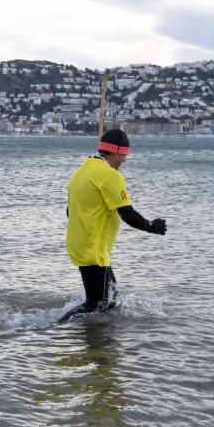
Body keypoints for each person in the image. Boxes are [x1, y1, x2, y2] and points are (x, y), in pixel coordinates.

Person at [60, 128, 167, 323]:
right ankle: (54, 327)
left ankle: (98, 336)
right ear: (115, 152)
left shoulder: (81, 172)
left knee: (111, 299)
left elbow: (70, 211)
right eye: (124, 154)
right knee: (97, 304)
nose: (125, 160)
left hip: (83, 245)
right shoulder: (110, 176)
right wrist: (152, 226)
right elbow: (127, 213)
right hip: (92, 249)